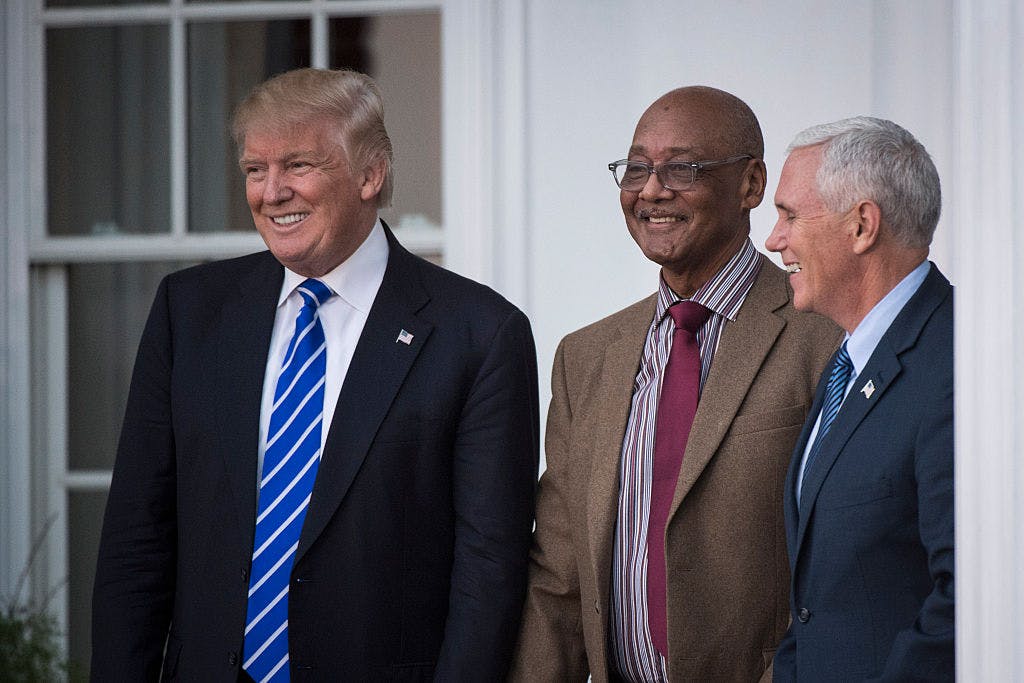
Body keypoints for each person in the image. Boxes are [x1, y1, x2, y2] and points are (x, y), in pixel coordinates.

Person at [91, 68, 539, 681]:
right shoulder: (189, 311)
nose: (270, 193)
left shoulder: (479, 333)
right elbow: (136, 540)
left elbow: (488, 572)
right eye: (255, 169)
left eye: (297, 165)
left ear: (369, 175)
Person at [511, 86, 842, 682]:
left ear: (751, 184)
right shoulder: (585, 358)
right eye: (636, 168)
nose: (652, 189)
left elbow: (843, 566)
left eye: (682, 168)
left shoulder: (824, 340)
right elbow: (557, 580)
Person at [766, 117, 954, 680]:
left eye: (790, 215)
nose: (775, 239)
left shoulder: (958, 360)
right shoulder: (847, 364)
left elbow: (969, 595)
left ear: (862, 226)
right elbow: (817, 601)